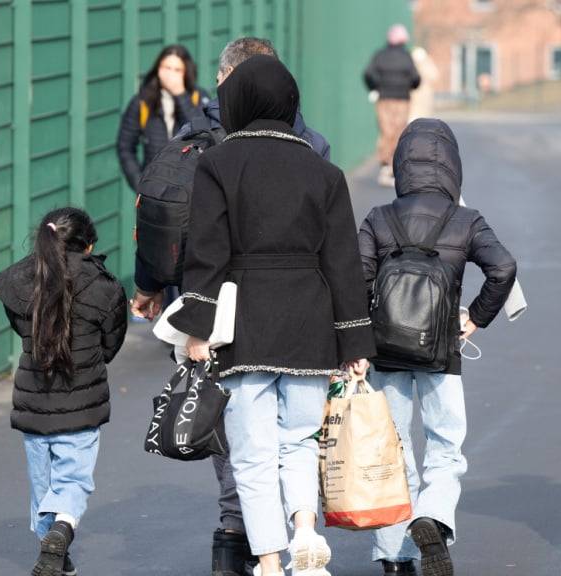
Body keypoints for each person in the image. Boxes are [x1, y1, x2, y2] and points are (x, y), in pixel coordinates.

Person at [127, 37, 333, 576]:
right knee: (293, 431)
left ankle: (234, 536)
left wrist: (149, 287)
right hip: (296, 307)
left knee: (235, 427)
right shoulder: (308, 143)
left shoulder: (193, 140)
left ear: (223, 80)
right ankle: (288, 534)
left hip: (208, 302)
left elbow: (162, 216)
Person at [168, 55, 376, 576]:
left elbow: (208, 253)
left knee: (254, 452)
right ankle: (306, 529)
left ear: (237, 102)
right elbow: (343, 262)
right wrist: (355, 344)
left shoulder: (218, 164)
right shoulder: (323, 170)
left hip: (245, 325)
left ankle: (269, 558)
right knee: (301, 440)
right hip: (310, 321)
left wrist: (198, 329)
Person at [359, 118, 517, 576]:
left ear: (400, 164)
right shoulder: (465, 220)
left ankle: (395, 557)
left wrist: (355, 344)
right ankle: (433, 515)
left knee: (394, 449)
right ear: (452, 166)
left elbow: (354, 281)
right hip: (440, 350)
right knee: (446, 446)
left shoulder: (378, 217)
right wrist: (473, 320)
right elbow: (503, 268)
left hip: (384, 351)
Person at [0, 207, 128, 576]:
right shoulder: (104, 286)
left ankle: (55, 554)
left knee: (42, 483)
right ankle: (63, 529)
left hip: (33, 402)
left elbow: (21, 327)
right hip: (81, 402)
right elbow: (111, 343)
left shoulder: (21, 282)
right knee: (73, 479)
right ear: (89, 245)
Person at [117, 44, 208, 192]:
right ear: (158, 69)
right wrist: (140, 183)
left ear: (186, 72)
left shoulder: (198, 97)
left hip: (190, 190)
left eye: (177, 70)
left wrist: (180, 94)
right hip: (154, 190)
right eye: (166, 67)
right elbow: (125, 147)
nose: (171, 74)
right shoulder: (142, 101)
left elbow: (202, 132)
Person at [364, 24, 420, 187]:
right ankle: (394, 166)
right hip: (402, 98)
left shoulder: (379, 56)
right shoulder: (407, 57)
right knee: (398, 130)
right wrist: (409, 86)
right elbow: (416, 78)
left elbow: (368, 74)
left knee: (385, 130)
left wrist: (375, 87)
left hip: (384, 98)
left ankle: (385, 164)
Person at [408, 47, 438, 122]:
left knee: (423, 118)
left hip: (423, 98)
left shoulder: (427, 66)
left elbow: (434, 76)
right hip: (414, 99)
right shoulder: (411, 66)